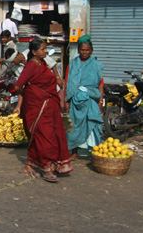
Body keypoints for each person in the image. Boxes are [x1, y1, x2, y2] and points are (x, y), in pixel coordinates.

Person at [14, 39, 72, 183]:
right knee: (44, 137)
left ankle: (29, 165)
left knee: (47, 136)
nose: (45, 52)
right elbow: (18, 86)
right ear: (34, 52)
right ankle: (47, 168)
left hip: (49, 106)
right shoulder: (31, 65)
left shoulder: (44, 63)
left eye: (46, 49)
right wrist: (31, 93)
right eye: (42, 49)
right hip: (37, 107)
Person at [64, 35, 104, 160]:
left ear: (91, 51)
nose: (84, 52)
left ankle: (93, 152)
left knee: (92, 125)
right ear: (79, 50)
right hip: (76, 100)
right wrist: (67, 100)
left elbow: (100, 84)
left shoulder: (96, 64)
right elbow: (68, 82)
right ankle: (74, 152)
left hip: (91, 99)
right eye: (82, 50)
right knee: (74, 126)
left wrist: (101, 100)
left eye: (87, 50)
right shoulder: (73, 63)